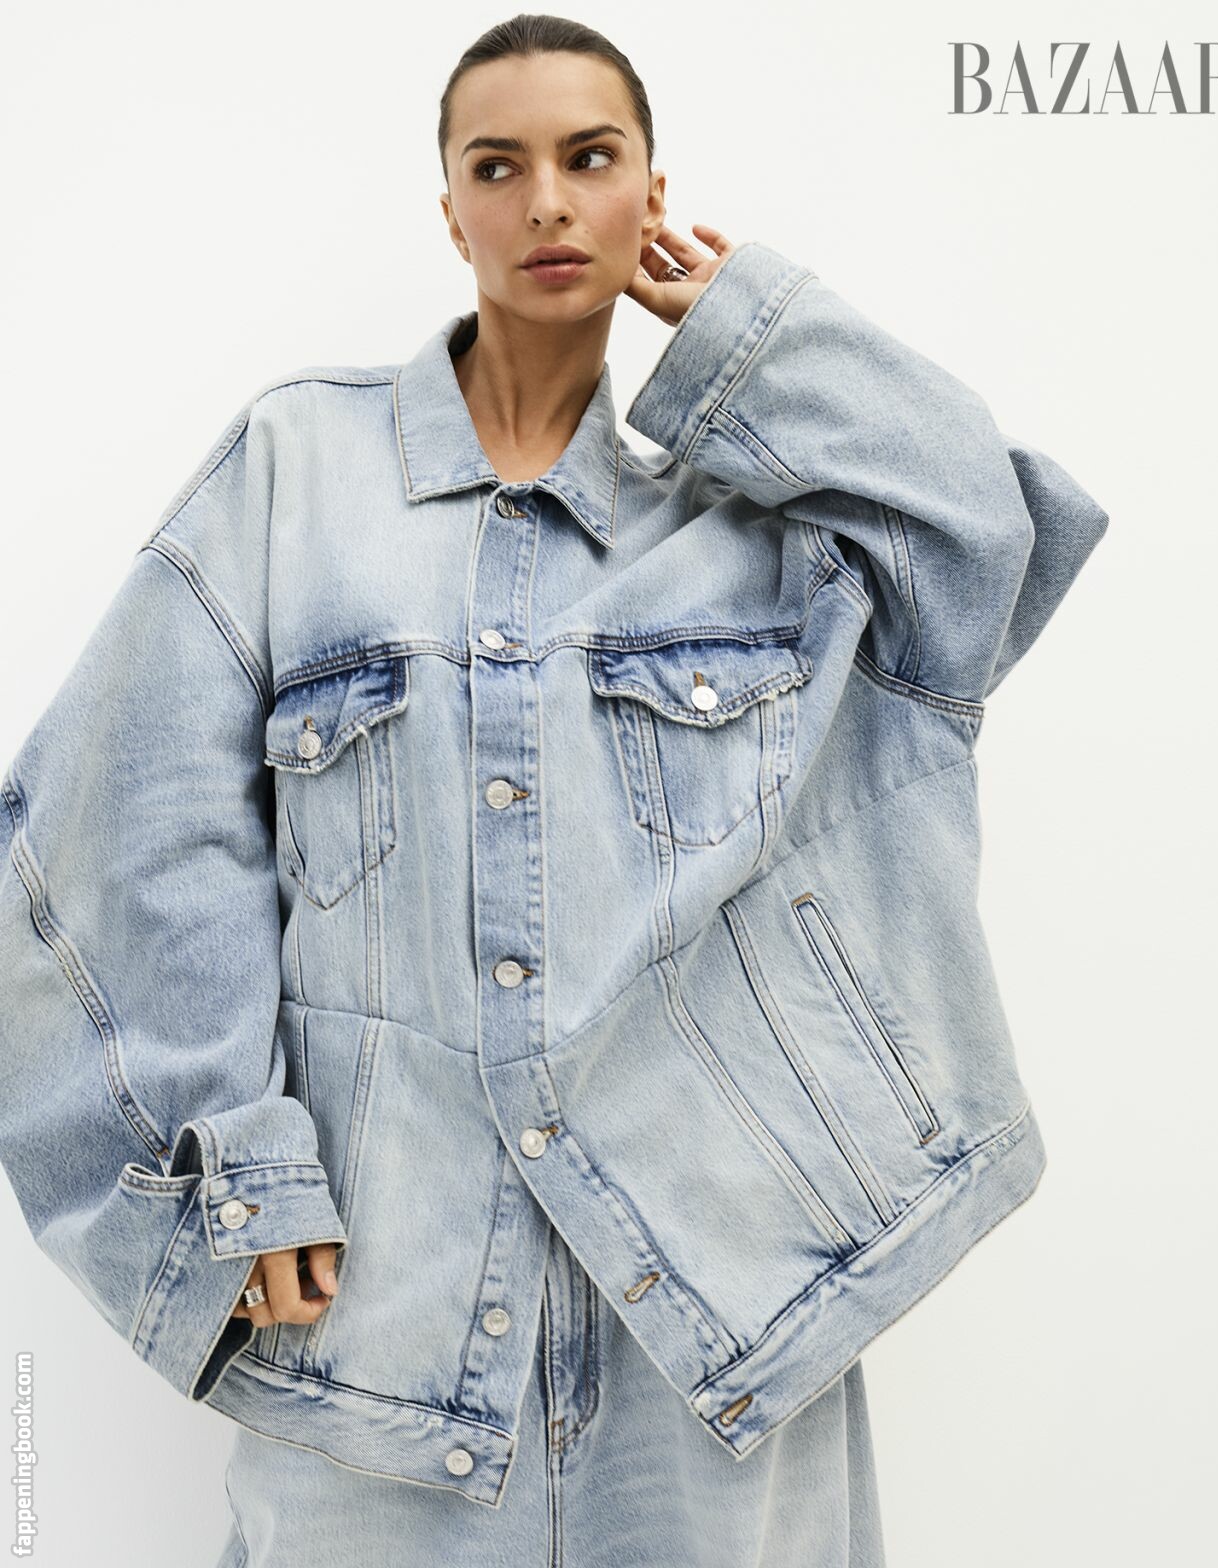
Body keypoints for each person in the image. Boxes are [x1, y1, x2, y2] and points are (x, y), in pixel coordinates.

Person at [0, 13, 1109, 1566]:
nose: (546, 204)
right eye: (497, 166)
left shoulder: (764, 529)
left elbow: (987, 535)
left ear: (652, 190)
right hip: (383, 1343)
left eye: (591, 159)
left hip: (725, 1332)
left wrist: (758, 337)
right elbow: (125, 828)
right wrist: (239, 1164)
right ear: (447, 207)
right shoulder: (295, 474)